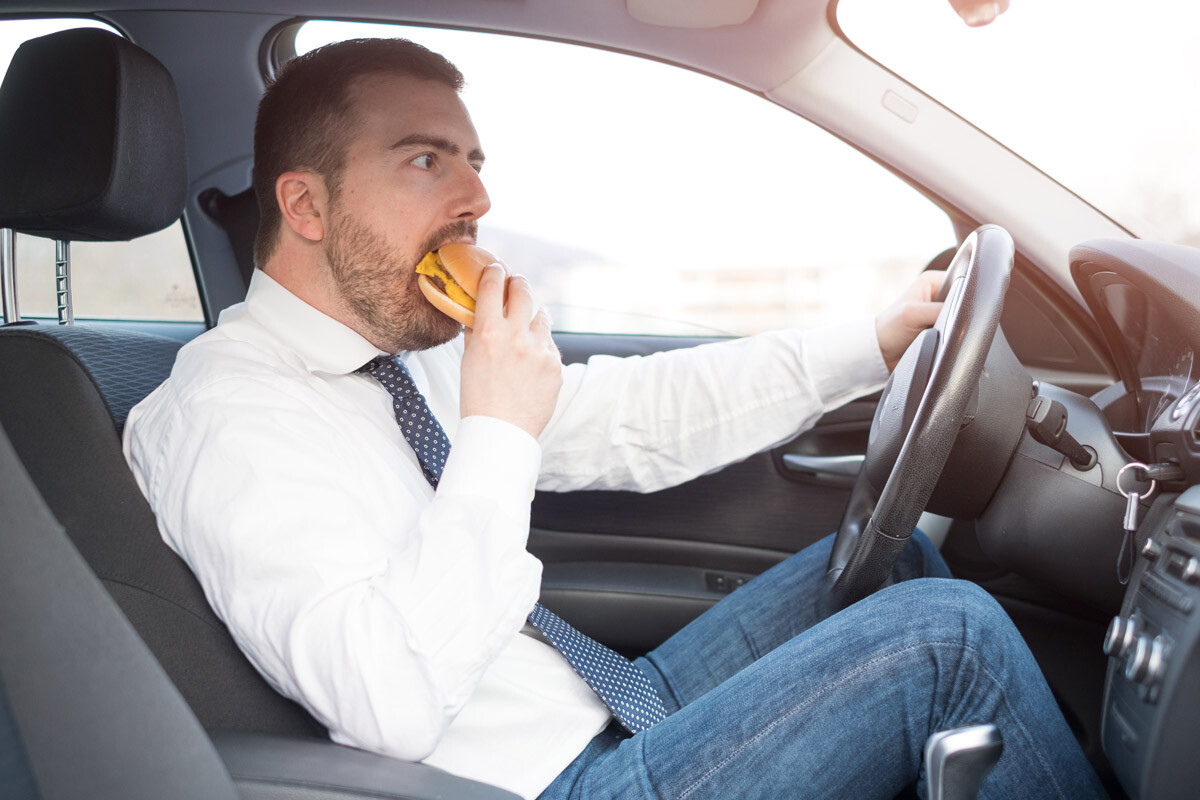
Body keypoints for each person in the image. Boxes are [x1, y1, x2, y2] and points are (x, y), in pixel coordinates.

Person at [123, 37, 1103, 800]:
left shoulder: (402, 358)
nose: (477, 197)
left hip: (595, 707)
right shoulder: (222, 417)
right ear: (306, 204)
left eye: (470, 161)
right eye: (425, 161)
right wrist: (499, 432)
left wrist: (869, 346)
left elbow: (628, 415)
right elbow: (388, 702)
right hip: (540, 781)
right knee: (953, 635)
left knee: (901, 568)